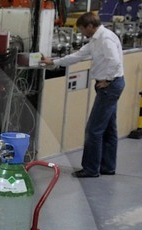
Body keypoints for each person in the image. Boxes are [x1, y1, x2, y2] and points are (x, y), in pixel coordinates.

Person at [46, 11, 125, 178]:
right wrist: (53, 62)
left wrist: (108, 80)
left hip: (109, 87)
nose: (81, 33)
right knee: (109, 129)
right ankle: (107, 166)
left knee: (94, 130)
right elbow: (78, 55)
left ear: (90, 26)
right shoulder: (96, 39)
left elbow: (115, 61)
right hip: (109, 85)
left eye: (82, 29)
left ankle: (91, 169)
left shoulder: (105, 38)